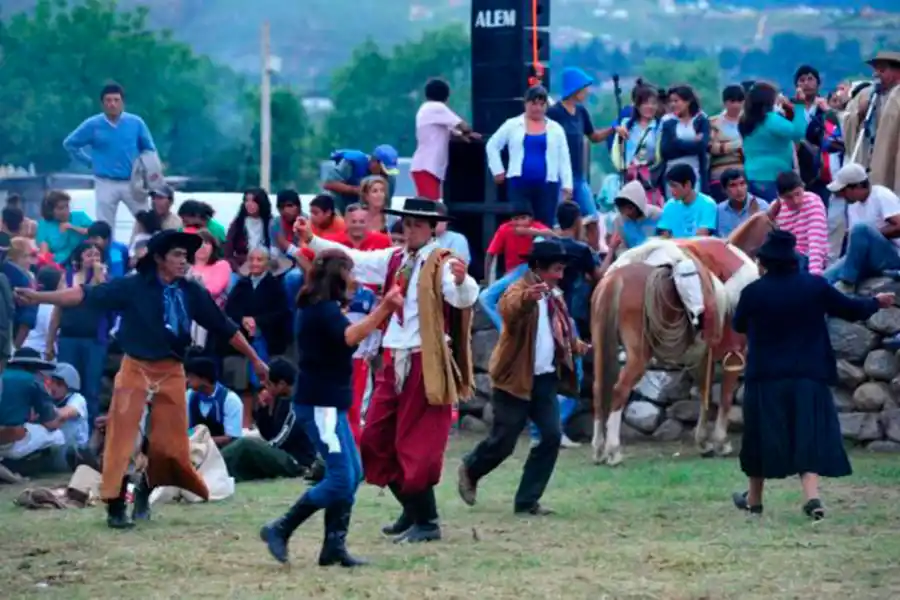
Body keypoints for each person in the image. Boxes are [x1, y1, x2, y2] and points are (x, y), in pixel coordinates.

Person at [13, 229, 268, 529]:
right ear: (159, 258)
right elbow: (84, 294)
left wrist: (255, 359)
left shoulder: (190, 291)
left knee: (169, 445)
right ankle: (116, 505)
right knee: (122, 439)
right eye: (177, 255)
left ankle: (144, 492)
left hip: (172, 371)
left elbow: (224, 326)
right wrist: (39, 296)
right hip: (135, 367)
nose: (184, 260)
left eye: (186, 256)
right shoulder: (133, 286)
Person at [294, 198, 478, 543]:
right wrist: (313, 240)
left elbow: (462, 297)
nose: (410, 230)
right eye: (406, 224)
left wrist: (461, 281)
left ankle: (427, 522)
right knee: (376, 440)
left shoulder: (442, 261)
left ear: (432, 228)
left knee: (415, 443)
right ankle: (413, 510)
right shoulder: (396, 258)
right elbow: (356, 260)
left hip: (425, 360)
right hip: (394, 359)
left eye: (418, 224)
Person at [731, 230, 894, 520]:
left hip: (765, 377)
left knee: (761, 437)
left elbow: (739, 324)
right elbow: (851, 309)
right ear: (794, 260)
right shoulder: (814, 286)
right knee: (808, 434)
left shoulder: (753, 292)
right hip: (808, 374)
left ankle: (754, 500)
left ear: (764, 262)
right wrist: (876, 302)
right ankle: (812, 498)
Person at [259, 250, 403, 567]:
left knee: (353, 474)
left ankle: (333, 547)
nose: (355, 279)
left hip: (328, 404)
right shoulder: (322, 309)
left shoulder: (322, 308)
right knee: (341, 478)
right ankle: (280, 528)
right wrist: (384, 309)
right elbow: (349, 337)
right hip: (320, 404)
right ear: (338, 276)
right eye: (350, 272)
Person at [458, 240, 588, 515]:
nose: (560, 275)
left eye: (562, 269)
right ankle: (471, 467)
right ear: (539, 267)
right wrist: (528, 298)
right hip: (513, 379)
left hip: (545, 378)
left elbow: (559, 331)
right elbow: (509, 308)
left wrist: (577, 346)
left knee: (551, 436)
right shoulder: (518, 289)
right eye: (556, 269)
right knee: (504, 442)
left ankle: (527, 501)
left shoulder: (555, 295)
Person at [63, 82, 156, 227]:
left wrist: (149, 172)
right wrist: (89, 162)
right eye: (108, 100)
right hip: (105, 182)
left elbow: (149, 149)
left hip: (132, 181)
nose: (112, 104)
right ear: (102, 103)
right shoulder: (93, 124)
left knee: (147, 221)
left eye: (116, 100)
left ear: (122, 102)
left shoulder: (136, 123)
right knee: (104, 226)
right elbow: (70, 144)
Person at [486, 85, 574, 227]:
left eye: (541, 104)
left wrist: (567, 185)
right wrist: (498, 170)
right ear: (526, 103)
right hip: (519, 184)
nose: (537, 108)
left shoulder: (556, 129)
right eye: (534, 104)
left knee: (544, 225)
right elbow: (492, 145)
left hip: (547, 185)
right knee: (522, 225)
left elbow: (564, 158)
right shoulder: (512, 124)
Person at [547, 67, 626, 218]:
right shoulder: (554, 113)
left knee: (592, 216)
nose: (588, 91)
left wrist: (613, 129)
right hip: (559, 177)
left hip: (578, 175)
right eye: (585, 88)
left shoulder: (581, 111)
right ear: (575, 89)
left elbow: (593, 136)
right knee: (560, 219)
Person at [48, 242, 109, 431]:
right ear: (80, 257)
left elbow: (106, 298)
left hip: (94, 340)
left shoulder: (104, 279)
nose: (93, 258)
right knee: (64, 383)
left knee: (91, 387)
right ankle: (62, 427)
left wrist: (99, 275)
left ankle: (89, 431)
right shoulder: (67, 278)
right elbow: (57, 311)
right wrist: (49, 342)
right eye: (89, 254)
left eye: (97, 255)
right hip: (68, 338)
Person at [221, 358, 316, 482]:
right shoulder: (281, 400)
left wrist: (260, 449)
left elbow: (279, 440)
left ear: (281, 384)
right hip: (283, 454)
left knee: (246, 444)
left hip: (298, 462)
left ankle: (213, 465)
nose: (265, 387)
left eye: (269, 384)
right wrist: (264, 409)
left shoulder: (297, 404)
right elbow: (268, 435)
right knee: (246, 454)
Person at [842, 50, 900, 195]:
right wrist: (859, 114)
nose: (876, 74)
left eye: (882, 70)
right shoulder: (866, 94)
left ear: (897, 72)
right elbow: (846, 121)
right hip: (869, 158)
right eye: (875, 70)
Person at [410, 78, 479, 200]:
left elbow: (452, 132)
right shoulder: (437, 107)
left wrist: (462, 135)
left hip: (426, 166)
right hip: (427, 166)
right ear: (446, 96)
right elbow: (463, 126)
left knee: (429, 206)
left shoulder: (426, 109)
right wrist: (469, 133)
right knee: (430, 207)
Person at [738, 83, 807, 201]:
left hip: (751, 175)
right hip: (773, 176)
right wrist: (800, 105)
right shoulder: (771, 120)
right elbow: (798, 132)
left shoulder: (745, 120)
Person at [0, 350, 65, 463]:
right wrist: (60, 417)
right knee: (58, 436)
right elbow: (51, 423)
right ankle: (26, 466)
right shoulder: (33, 380)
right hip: (9, 441)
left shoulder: (3, 374)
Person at [609, 85, 663, 209]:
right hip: (628, 177)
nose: (650, 107)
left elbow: (659, 154)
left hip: (650, 179)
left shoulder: (659, 127)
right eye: (645, 103)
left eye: (653, 103)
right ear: (637, 105)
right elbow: (616, 151)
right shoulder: (626, 125)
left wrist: (651, 169)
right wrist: (623, 168)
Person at [770, 171, 828, 274]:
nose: (795, 201)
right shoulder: (776, 207)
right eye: (789, 197)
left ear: (803, 187)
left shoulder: (813, 202)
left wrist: (815, 275)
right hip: (786, 257)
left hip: (807, 257)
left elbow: (816, 242)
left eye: (798, 194)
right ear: (780, 196)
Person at [601, 181, 663, 273]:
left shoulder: (658, 215)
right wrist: (631, 261)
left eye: (630, 208)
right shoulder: (619, 221)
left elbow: (666, 241)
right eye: (623, 210)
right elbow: (620, 248)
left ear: (638, 206)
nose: (627, 213)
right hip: (629, 264)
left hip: (656, 262)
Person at [660, 85, 711, 194]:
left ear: (688, 101)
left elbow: (702, 146)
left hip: (695, 171)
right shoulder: (667, 121)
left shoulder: (701, 119)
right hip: (672, 171)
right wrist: (692, 142)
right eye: (671, 101)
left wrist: (677, 143)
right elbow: (666, 150)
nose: (673, 104)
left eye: (676, 101)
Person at [185, 356, 244, 448]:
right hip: (195, 449)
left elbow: (232, 438)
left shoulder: (230, 400)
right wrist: (190, 435)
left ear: (204, 379)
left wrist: (200, 439)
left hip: (224, 451)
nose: (187, 380)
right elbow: (187, 430)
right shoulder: (189, 396)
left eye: (191, 376)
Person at [484, 206, 550, 284]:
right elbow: (490, 254)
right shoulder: (505, 229)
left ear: (530, 219)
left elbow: (550, 239)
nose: (520, 222)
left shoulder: (537, 228)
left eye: (523, 218)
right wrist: (486, 281)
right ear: (511, 220)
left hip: (535, 275)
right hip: (512, 276)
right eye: (516, 219)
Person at [324, 146, 400, 212]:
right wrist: (356, 190)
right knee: (328, 196)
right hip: (342, 205)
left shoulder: (390, 179)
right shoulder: (353, 163)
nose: (385, 175)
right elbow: (329, 184)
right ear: (374, 161)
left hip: (367, 212)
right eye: (383, 170)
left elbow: (386, 204)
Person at [658, 164, 717, 238]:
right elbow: (664, 237)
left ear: (687, 184)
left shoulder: (708, 204)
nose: (670, 190)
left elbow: (701, 237)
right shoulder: (669, 205)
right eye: (670, 186)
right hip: (674, 245)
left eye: (674, 186)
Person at [709, 85, 746, 201]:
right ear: (725, 103)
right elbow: (711, 147)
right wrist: (736, 145)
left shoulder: (748, 121)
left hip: (744, 172)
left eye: (740, 101)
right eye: (732, 101)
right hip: (720, 173)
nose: (736, 105)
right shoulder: (713, 122)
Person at [224, 188, 274, 274]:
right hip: (243, 266)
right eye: (247, 201)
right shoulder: (238, 223)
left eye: (253, 201)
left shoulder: (271, 222)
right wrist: (237, 268)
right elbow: (228, 252)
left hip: (266, 265)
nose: (249, 204)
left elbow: (276, 249)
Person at [36, 190, 93, 265]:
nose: (66, 211)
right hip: (58, 264)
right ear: (50, 211)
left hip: (84, 261)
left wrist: (73, 227)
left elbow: (96, 232)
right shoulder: (44, 225)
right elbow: (44, 254)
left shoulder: (80, 216)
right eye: (60, 208)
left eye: (67, 206)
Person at [715, 169, 770, 238]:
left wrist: (755, 218)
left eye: (742, 183)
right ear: (724, 189)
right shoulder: (718, 211)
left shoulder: (762, 206)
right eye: (733, 185)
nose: (739, 189)